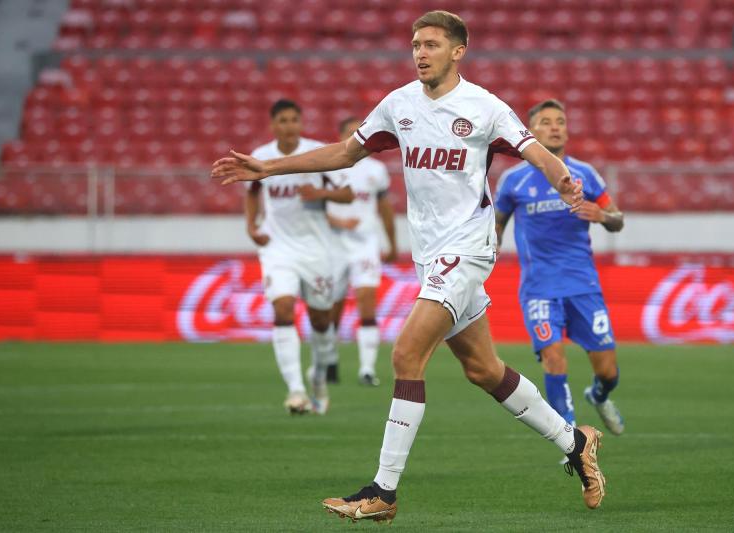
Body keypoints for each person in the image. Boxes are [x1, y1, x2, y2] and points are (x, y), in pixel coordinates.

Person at [213, 11, 606, 522]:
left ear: (458, 51)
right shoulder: (399, 105)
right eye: (416, 44)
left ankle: (384, 491)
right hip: (431, 255)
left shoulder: (483, 107)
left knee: (405, 356)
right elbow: (344, 153)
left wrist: (563, 181)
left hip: (467, 249)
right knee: (483, 369)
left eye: (432, 45)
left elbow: (534, 151)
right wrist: (268, 168)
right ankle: (576, 441)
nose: (420, 53)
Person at [495, 99, 625, 440]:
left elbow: (618, 220)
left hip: (583, 286)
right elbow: (495, 226)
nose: (555, 127)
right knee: (554, 359)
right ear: (530, 131)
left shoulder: (585, 174)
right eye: (547, 121)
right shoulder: (514, 181)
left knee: (609, 372)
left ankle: (598, 395)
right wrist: (485, 254)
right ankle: (571, 438)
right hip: (539, 288)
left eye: (560, 121)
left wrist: (603, 216)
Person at [244, 99, 353, 415]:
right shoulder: (262, 157)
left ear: (301, 122)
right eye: (283, 120)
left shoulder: (317, 152)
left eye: (294, 119)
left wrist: (320, 194)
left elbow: (347, 194)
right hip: (278, 248)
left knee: (321, 321)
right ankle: (295, 391)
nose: (289, 125)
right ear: (273, 125)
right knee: (283, 309)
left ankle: (317, 377)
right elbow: (252, 191)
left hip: (317, 250)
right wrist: (252, 226)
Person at [325, 116, 398, 387]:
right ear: (342, 136)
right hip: (333, 245)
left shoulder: (376, 170)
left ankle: (367, 369)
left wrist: (391, 242)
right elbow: (311, 208)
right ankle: (329, 360)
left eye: (360, 132)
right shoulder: (329, 168)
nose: (356, 137)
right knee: (332, 308)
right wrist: (337, 221)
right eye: (350, 132)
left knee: (367, 304)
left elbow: (384, 209)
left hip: (365, 245)